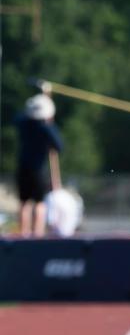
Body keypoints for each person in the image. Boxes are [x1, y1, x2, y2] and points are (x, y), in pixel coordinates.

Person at [15, 94, 63, 237]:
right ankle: (37, 234)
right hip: (38, 169)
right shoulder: (44, 127)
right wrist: (50, 124)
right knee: (39, 203)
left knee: (24, 203)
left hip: (22, 168)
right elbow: (59, 146)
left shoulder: (24, 123)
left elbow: (18, 117)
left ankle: (24, 233)